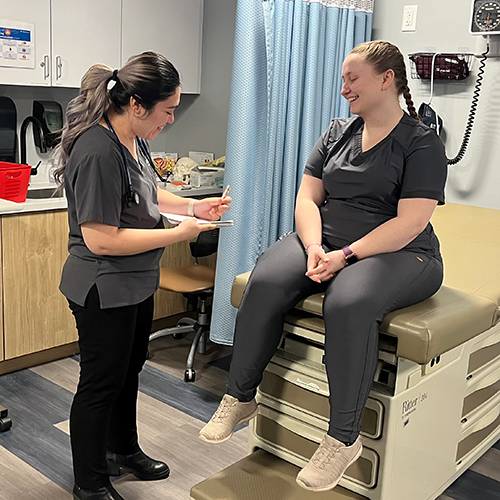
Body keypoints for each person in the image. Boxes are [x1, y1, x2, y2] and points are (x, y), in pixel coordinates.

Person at [199, 40, 447, 493]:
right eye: (343, 79)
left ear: (386, 79)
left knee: (348, 302)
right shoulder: (337, 132)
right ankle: (239, 396)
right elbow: (307, 197)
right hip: (325, 240)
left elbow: (411, 222)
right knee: (267, 278)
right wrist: (314, 247)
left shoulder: (420, 143)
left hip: (401, 252)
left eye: (352, 79)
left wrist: (346, 257)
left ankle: (342, 438)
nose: (344, 89)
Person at [54, 52, 231, 500]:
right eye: (167, 110)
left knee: (128, 370)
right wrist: (179, 235)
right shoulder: (97, 149)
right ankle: (90, 483)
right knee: (100, 383)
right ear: (136, 105)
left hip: (134, 282)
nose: (170, 118)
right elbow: (101, 240)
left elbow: (148, 192)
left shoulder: (132, 138)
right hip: (102, 286)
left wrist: (193, 207)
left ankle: (123, 449)